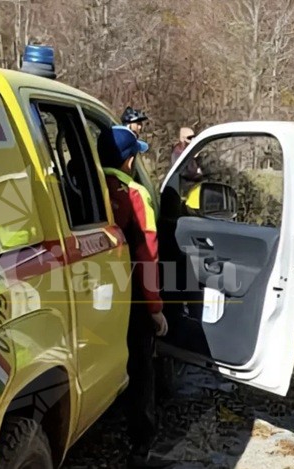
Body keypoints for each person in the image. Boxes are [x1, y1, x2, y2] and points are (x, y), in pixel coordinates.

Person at [102, 125, 171, 468]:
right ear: (129, 161)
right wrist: (155, 309)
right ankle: (141, 446)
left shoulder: (82, 184)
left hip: (94, 291)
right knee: (142, 366)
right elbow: (148, 255)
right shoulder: (134, 193)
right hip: (130, 295)